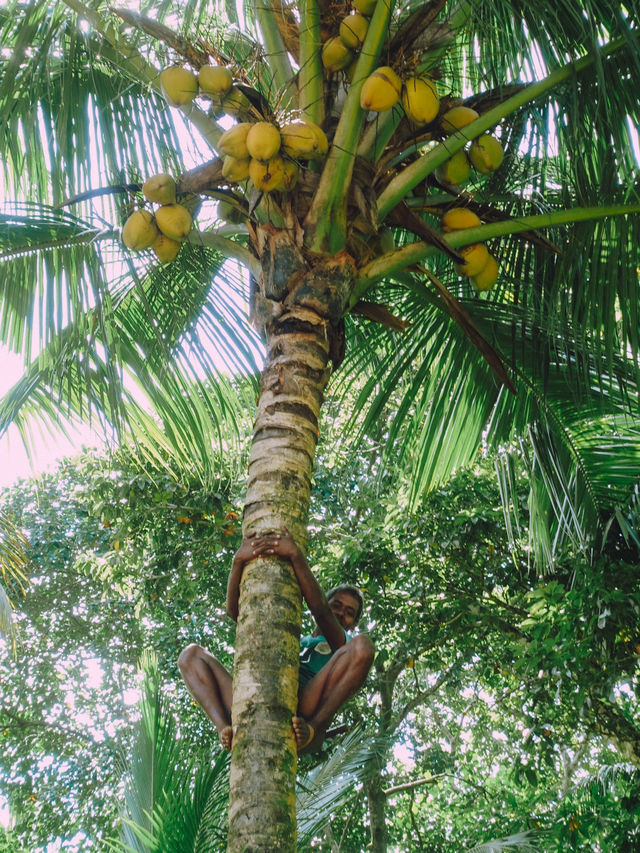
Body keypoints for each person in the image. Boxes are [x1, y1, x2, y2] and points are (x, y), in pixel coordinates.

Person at [178, 526, 374, 753]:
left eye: (349, 612)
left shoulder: (345, 646)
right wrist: (238, 562)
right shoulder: (295, 641)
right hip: (261, 693)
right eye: (336, 606)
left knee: (364, 646)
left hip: (306, 704)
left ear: (353, 623)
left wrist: (295, 555)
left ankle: (312, 728)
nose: (341, 613)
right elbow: (238, 615)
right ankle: (224, 727)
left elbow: (321, 612)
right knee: (190, 655)